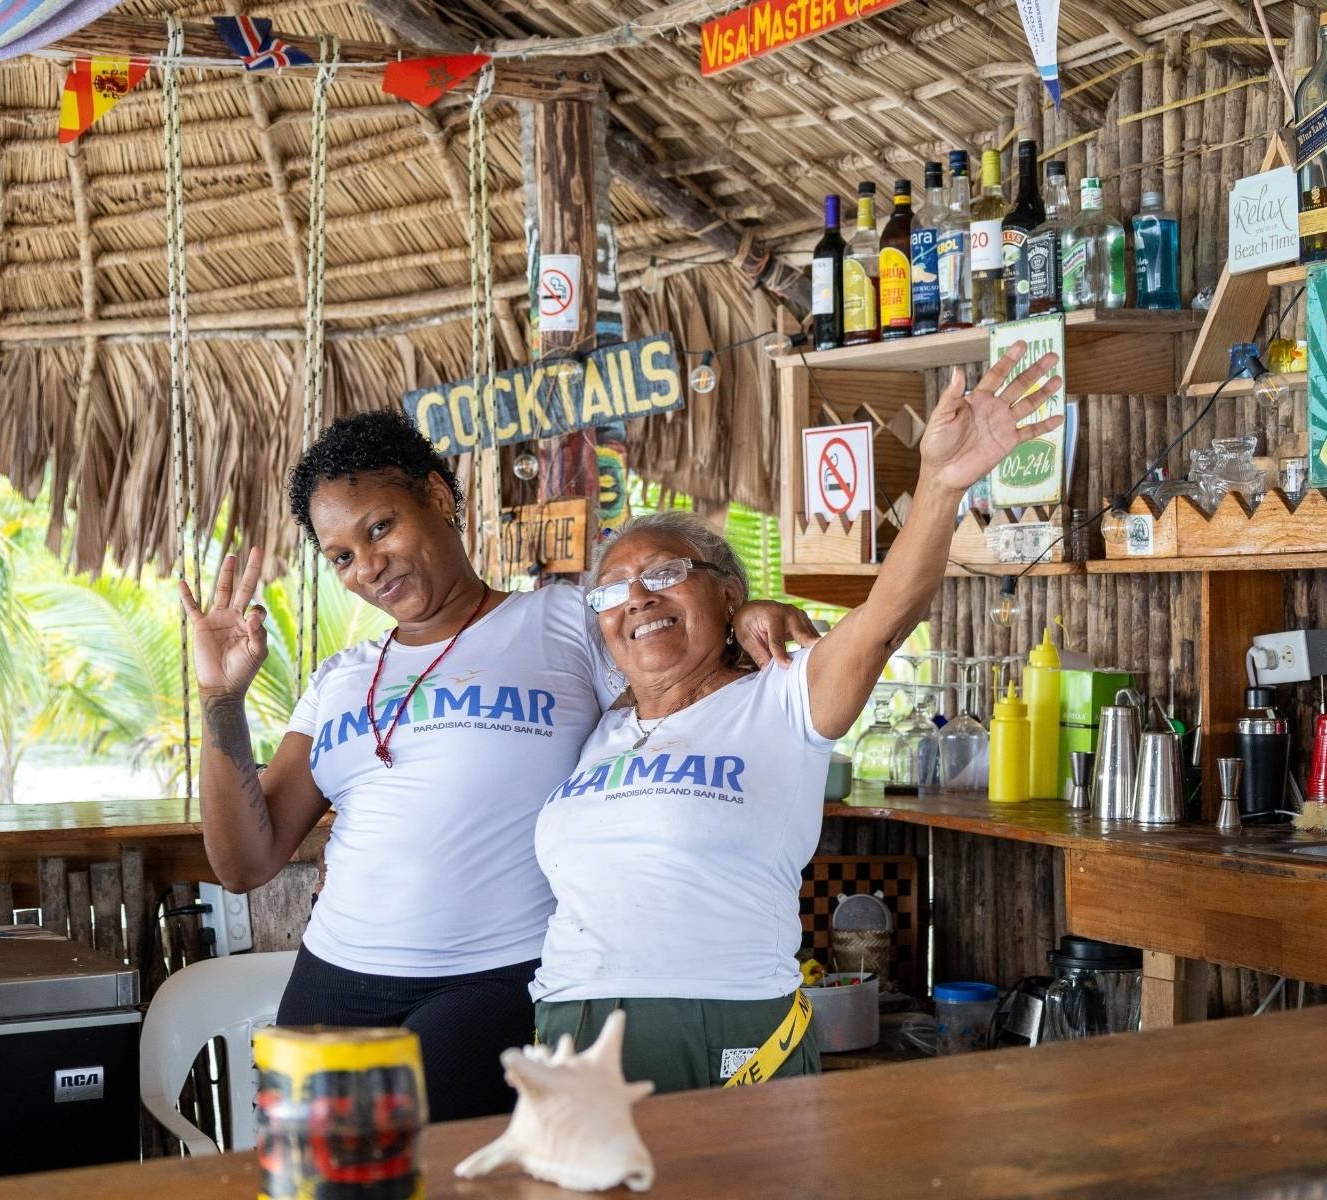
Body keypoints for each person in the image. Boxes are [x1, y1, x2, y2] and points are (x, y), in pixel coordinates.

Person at [179, 408, 815, 1121]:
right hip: (337, 978)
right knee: (312, 1177)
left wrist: (750, 610)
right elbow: (244, 863)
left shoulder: (564, 623)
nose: (368, 565)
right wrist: (220, 700)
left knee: (440, 1169)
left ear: (439, 498)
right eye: (342, 556)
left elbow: (675, 652)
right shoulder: (340, 678)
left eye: (380, 527)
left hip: (490, 981)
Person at [531, 344, 1063, 1092]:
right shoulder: (599, 723)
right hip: (571, 1026)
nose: (637, 599)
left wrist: (942, 484)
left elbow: (885, 618)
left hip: (724, 1024)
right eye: (613, 590)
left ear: (725, 595)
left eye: (664, 574)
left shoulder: (782, 696)